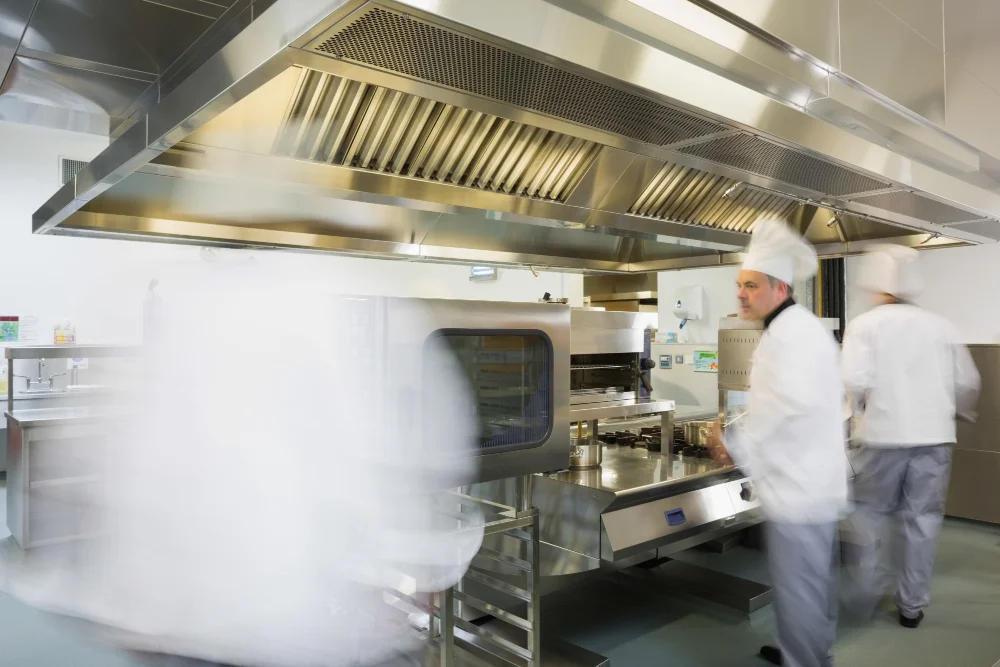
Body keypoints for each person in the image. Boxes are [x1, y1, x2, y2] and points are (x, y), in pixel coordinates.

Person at [708, 219, 847, 667]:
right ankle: (806, 652)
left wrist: (732, 445)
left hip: (799, 490)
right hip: (810, 485)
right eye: (739, 285)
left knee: (800, 588)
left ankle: (804, 659)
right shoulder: (794, 328)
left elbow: (782, 411)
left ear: (780, 287)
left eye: (751, 285)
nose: (741, 294)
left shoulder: (790, 335)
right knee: (811, 586)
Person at [841, 245, 979, 629]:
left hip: (880, 439)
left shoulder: (865, 325)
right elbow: (968, 382)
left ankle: (867, 593)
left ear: (878, 286)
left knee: (870, 515)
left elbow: (854, 380)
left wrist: (853, 411)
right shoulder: (941, 326)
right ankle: (911, 607)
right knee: (923, 521)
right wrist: (956, 412)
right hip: (934, 439)